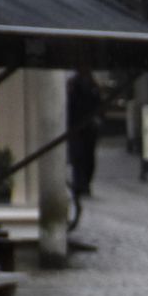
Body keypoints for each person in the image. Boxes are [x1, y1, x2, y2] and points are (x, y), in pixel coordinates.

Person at [66, 70, 102, 207]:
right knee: (79, 157)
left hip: (87, 127)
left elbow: (98, 104)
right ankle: (80, 184)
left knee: (86, 157)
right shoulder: (75, 85)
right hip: (78, 127)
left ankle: (83, 183)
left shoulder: (92, 85)